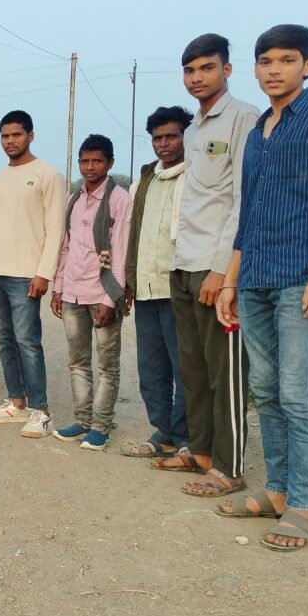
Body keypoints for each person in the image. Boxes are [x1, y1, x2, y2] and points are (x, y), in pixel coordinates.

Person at [216, 24, 308, 551]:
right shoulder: (258, 130)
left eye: (287, 60)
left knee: (298, 395)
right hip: (256, 278)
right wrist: (231, 281)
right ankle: (278, 491)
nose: (275, 70)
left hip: (304, 278)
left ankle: (303, 504)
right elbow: (249, 213)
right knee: (266, 390)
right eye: (266, 61)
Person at [153, 34, 259, 499]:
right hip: (184, 264)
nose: (197, 78)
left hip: (216, 267)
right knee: (193, 370)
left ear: (226, 70)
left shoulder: (243, 119)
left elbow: (242, 200)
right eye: (190, 70)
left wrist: (223, 270)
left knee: (225, 374)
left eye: (207, 68)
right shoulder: (193, 129)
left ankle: (230, 468)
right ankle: (200, 452)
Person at [0, 110, 65, 438]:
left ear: (30, 136)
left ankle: (41, 410)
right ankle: (17, 403)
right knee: (5, 339)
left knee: (28, 341)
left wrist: (44, 273)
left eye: (16, 134)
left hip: (27, 273)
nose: (10, 141)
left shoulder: (47, 174)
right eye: (5, 135)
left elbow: (56, 228)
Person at [50, 135, 132, 451]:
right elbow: (66, 247)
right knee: (77, 361)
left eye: (97, 161)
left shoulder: (119, 199)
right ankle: (82, 421)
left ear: (110, 163)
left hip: (102, 292)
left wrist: (111, 299)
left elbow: (121, 252)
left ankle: (100, 426)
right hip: (73, 291)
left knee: (107, 365)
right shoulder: (74, 198)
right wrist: (58, 287)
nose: (90, 167)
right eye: (84, 161)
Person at [121, 106, 193, 458]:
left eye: (171, 136)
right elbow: (133, 231)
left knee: (185, 368)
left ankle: (187, 438)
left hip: (181, 287)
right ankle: (164, 433)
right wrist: (128, 279)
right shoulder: (146, 178)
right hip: (146, 287)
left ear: (186, 136)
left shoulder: (196, 174)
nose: (163, 144)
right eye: (157, 138)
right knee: (151, 369)